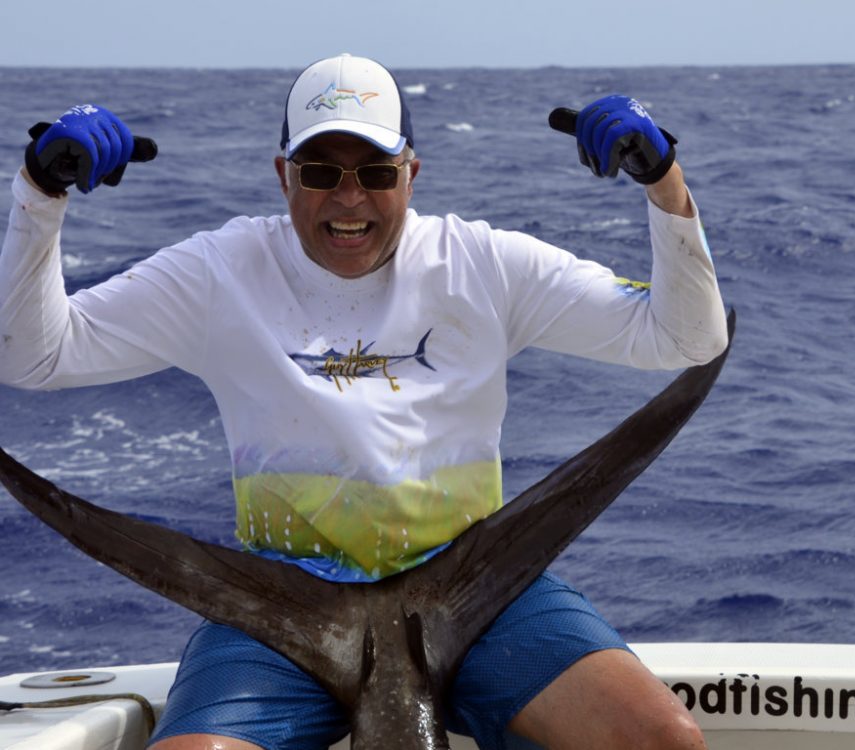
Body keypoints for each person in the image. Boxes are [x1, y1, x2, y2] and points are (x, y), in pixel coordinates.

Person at [0, 54, 726, 750]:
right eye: (321, 170)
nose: (349, 198)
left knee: (660, 739)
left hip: (482, 594)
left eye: (376, 171)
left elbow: (688, 339)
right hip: (280, 610)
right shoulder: (219, 271)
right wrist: (40, 193)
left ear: (411, 173)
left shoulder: (484, 263)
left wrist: (662, 182)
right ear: (284, 176)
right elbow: (32, 356)